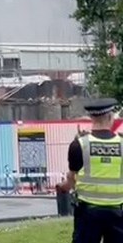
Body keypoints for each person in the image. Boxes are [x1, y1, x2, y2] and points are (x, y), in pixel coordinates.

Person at [56, 98, 123, 243]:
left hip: (88, 213)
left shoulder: (79, 145)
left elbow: (71, 178)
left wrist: (64, 186)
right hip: (118, 212)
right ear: (110, 117)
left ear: (91, 118)